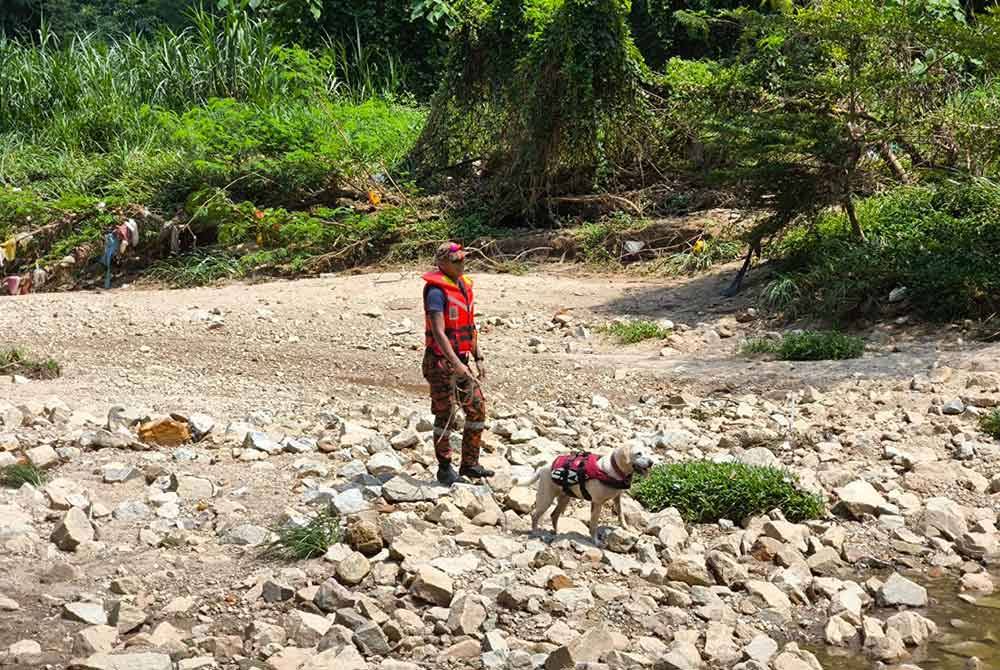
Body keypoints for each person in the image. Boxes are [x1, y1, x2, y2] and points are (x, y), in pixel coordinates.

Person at [423, 242, 495, 485]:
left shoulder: (464, 287)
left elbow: (469, 327)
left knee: (477, 408)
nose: (462, 263)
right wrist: (456, 363)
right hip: (441, 363)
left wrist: (478, 357)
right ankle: (444, 468)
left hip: (462, 361)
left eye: (463, 259)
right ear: (442, 264)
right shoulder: (435, 292)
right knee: (446, 414)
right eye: (456, 261)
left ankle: (470, 464)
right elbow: (439, 331)